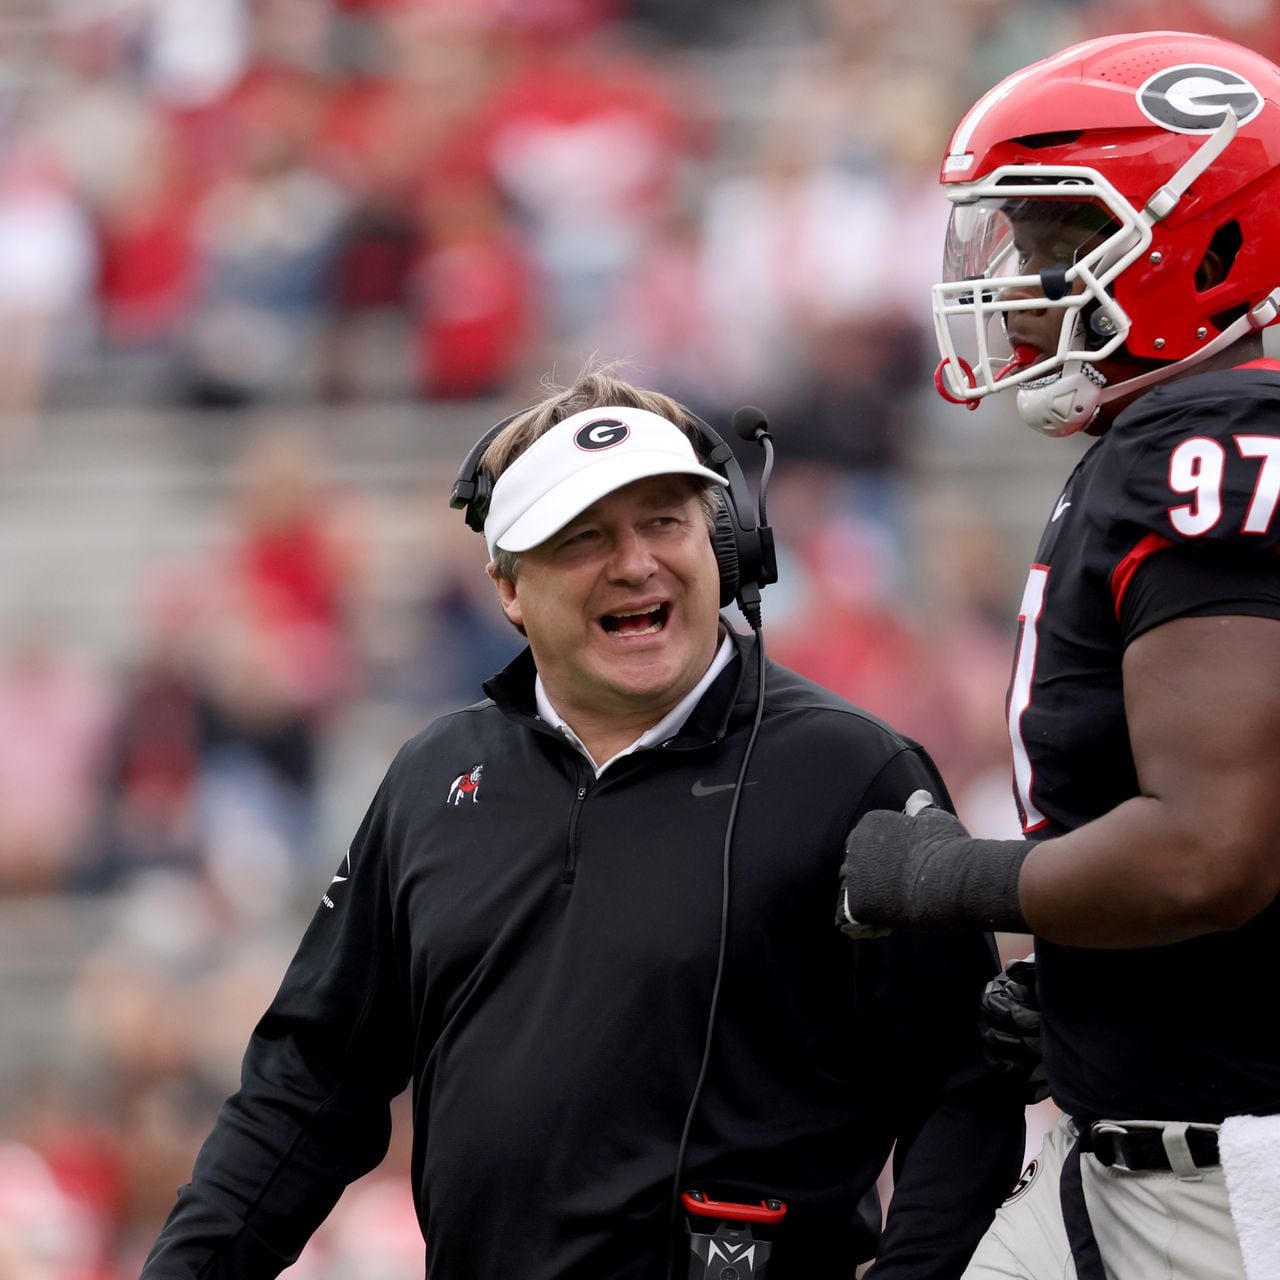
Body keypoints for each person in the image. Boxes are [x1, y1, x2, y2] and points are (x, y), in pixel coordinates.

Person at [140, 369, 1023, 1279]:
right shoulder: (431, 779)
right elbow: (310, 1085)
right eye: (584, 537)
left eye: (664, 522)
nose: (635, 562)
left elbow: (962, 1089)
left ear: (722, 543)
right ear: (508, 587)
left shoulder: (852, 773)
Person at [837, 30, 1280, 1280]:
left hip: (1227, 1186)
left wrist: (944, 876)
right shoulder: (1185, 437)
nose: (1019, 287)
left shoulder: (1208, 442)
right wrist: (1091, 998)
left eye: (1053, 244)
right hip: (1148, 1144)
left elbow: (1209, 851)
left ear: (1206, 239)